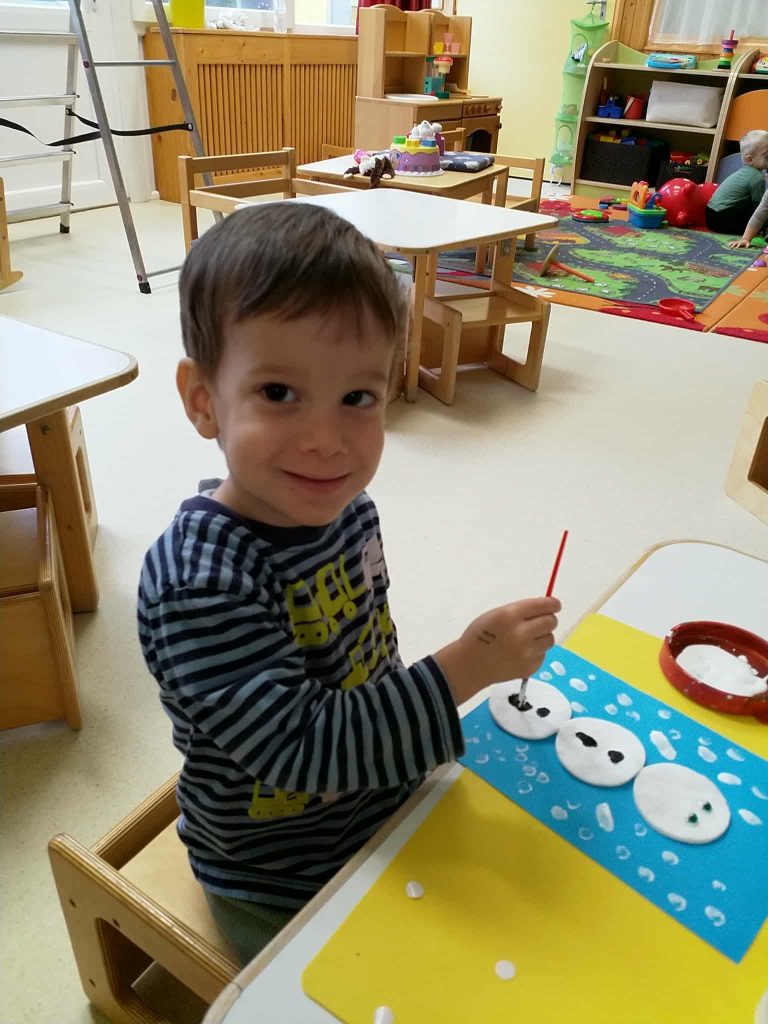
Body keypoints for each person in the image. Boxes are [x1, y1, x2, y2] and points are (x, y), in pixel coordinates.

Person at [137, 202, 560, 965]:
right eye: (278, 393)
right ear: (203, 400)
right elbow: (300, 750)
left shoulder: (348, 509)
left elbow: (369, 652)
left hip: (387, 797)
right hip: (277, 870)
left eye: (357, 398)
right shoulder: (198, 583)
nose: (326, 441)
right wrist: (468, 665)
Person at [703, 129, 768, 244]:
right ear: (750, 159)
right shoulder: (757, 178)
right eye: (767, 157)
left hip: (710, 215)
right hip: (722, 218)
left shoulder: (745, 172)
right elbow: (760, 208)